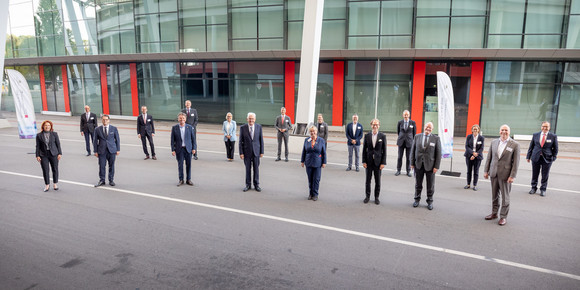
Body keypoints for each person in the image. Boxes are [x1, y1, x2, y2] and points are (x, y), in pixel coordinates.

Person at [484, 124, 520, 226]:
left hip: (506, 174)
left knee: (505, 197)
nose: (504, 132)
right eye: (502, 130)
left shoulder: (515, 144)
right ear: (499, 131)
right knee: (494, 195)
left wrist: (512, 176)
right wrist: (486, 171)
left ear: (509, 132)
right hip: (494, 172)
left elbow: (516, 163)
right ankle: (494, 213)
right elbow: (489, 158)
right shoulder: (494, 142)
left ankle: (503, 217)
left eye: (506, 130)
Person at [410, 122, 441, 210]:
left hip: (430, 166)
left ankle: (430, 201)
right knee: (418, 184)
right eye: (427, 127)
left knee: (430, 185)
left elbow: (438, 154)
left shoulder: (436, 138)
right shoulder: (417, 137)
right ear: (424, 127)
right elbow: (413, 150)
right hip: (418, 164)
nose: (428, 129)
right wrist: (412, 163)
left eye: (430, 128)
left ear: (432, 129)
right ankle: (417, 199)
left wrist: (436, 166)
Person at [526, 121, 558, 197]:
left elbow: (556, 148)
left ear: (549, 128)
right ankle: (533, 188)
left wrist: (553, 157)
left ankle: (543, 189)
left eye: (546, 126)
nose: (545, 128)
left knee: (545, 175)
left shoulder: (553, 136)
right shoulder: (535, 135)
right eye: (543, 126)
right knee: (535, 174)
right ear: (541, 127)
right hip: (535, 157)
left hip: (547, 158)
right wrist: (528, 156)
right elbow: (531, 146)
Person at [362, 119, 387, 205]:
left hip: (378, 163)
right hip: (368, 162)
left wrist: (383, 163)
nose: (375, 126)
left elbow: (384, 151)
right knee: (368, 181)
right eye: (373, 124)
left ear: (379, 125)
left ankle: (376, 197)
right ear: (371, 125)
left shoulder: (382, 136)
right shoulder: (367, 135)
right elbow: (364, 150)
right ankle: (367, 196)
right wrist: (364, 161)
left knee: (378, 181)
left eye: (376, 125)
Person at [239, 112, 264, 192]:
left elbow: (261, 140)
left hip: (256, 151)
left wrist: (262, 151)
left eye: (252, 118)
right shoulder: (243, 128)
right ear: (247, 119)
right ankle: (248, 185)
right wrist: (241, 153)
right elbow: (240, 141)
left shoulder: (259, 127)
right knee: (248, 169)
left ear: (255, 119)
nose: (251, 120)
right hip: (247, 152)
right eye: (249, 118)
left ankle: (256, 185)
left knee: (256, 169)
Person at [301, 126, 327, 201]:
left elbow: (324, 152)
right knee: (310, 179)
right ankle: (310, 194)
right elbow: (304, 151)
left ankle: (315, 194)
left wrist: (324, 162)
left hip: (317, 163)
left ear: (317, 131)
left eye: (314, 131)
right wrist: (302, 161)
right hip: (308, 162)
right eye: (311, 131)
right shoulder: (307, 140)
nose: (312, 133)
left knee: (316, 179)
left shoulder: (321, 140)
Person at [94, 115, 120, 187]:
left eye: (106, 120)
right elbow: (95, 141)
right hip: (101, 151)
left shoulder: (114, 129)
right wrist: (95, 151)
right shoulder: (97, 129)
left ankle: (111, 180)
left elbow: (117, 140)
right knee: (102, 166)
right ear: (101, 120)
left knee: (111, 166)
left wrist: (118, 149)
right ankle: (102, 180)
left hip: (112, 150)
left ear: (109, 120)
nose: (105, 121)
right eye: (103, 120)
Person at [171, 113, 197, 186]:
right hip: (179, 150)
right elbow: (172, 140)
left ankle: (188, 179)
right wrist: (173, 150)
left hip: (188, 149)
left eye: (183, 118)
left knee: (188, 165)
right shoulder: (174, 128)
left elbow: (193, 139)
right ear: (178, 119)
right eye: (180, 118)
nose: (181, 120)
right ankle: (181, 180)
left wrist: (194, 148)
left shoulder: (189, 127)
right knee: (180, 165)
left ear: (185, 119)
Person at [36, 120, 62, 192]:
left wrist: (59, 153)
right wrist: (37, 155)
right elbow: (37, 146)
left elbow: (58, 144)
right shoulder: (39, 135)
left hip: (54, 154)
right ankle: (47, 185)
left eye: (48, 125)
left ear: (51, 127)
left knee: (55, 169)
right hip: (43, 155)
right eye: (46, 125)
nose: (47, 127)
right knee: (45, 170)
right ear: (43, 127)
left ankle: (55, 184)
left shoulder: (54, 134)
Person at [464, 124, 485, 191]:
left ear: (478, 130)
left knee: (476, 171)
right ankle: (468, 184)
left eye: (476, 129)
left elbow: (481, 148)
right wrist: (472, 153)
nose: (475, 130)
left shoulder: (481, 138)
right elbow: (467, 146)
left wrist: (475, 155)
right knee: (469, 170)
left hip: (478, 157)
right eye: (474, 129)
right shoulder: (469, 137)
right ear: (472, 130)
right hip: (469, 156)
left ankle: (475, 185)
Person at [396, 110, 416, 177]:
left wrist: (411, 140)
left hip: (409, 142)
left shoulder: (412, 122)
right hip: (401, 141)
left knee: (408, 158)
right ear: (403, 115)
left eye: (407, 114)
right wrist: (401, 137)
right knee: (399, 157)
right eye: (405, 114)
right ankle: (398, 170)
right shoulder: (400, 122)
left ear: (409, 115)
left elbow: (414, 133)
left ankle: (408, 171)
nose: (406, 116)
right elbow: (398, 131)